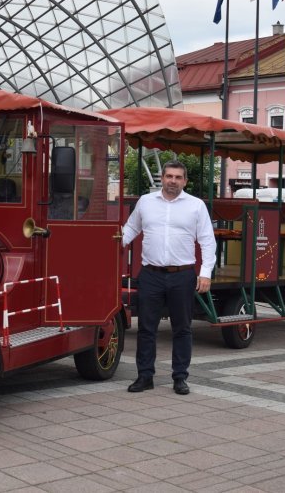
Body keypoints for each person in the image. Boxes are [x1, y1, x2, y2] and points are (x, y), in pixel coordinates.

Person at [121, 160, 216, 395]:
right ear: (162, 178)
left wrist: (205, 273)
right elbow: (130, 229)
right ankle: (145, 376)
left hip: (182, 275)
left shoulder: (195, 206)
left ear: (184, 181)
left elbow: (207, 240)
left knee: (182, 328)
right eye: (169, 176)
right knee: (145, 328)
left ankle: (180, 377)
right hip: (151, 274)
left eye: (178, 177)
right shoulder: (146, 202)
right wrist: (110, 245)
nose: (173, 181)